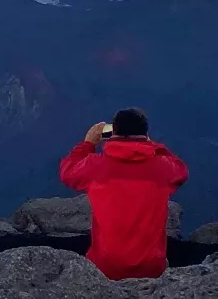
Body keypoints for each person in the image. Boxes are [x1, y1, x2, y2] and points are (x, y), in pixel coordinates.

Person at [58, 107, 189, 280]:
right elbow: (181, 171)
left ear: (113, 131)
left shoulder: (95, 166)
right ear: (145, 133)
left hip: (106, 266)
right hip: (151, 267)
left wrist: (88, 143)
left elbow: (67, 171)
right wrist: (151, 145)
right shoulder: (163, 168)